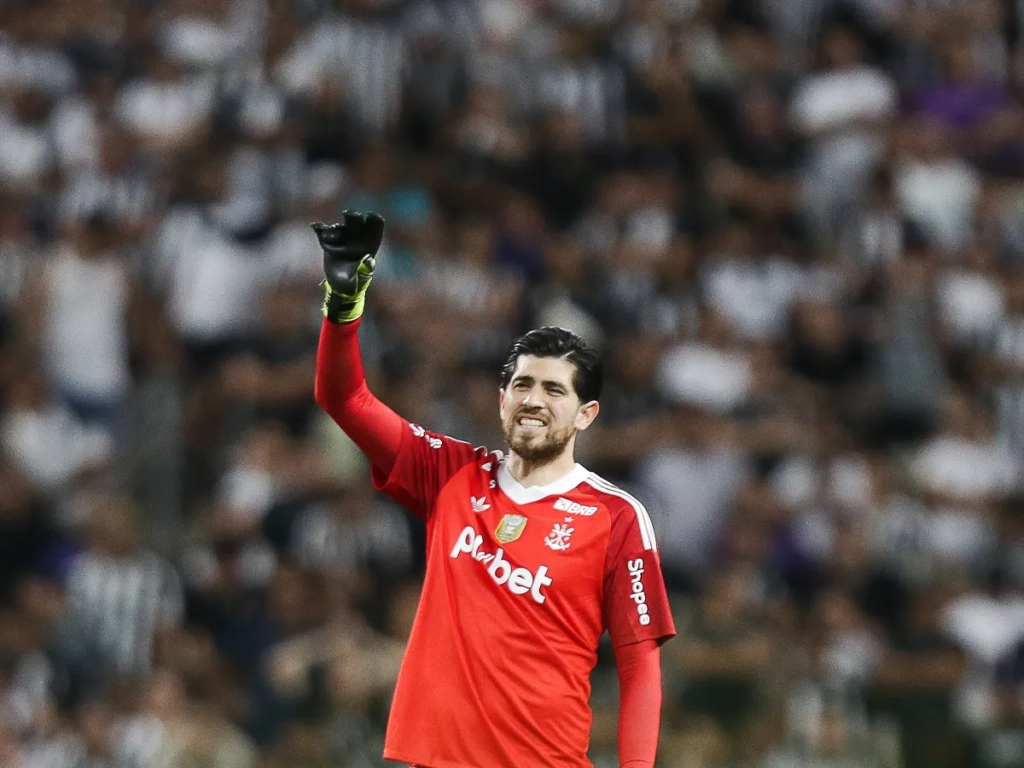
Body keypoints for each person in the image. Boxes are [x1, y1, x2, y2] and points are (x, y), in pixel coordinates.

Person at [312, 211, 676, 767]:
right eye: (522, 384)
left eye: (555, 390)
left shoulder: (616, 515)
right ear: (502, 399)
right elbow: (346, 399)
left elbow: (640, 666)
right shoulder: (451, 473)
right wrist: (344, 309)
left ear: (586, 414)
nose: (533, 399)